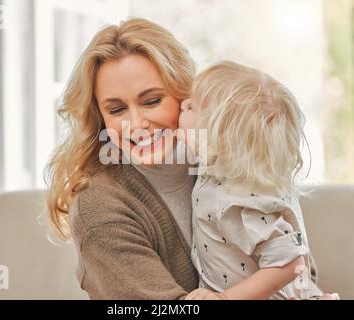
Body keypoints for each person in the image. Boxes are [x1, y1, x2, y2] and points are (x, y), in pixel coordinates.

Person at [45, 18, 326, 300]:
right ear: (101, 118)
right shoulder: (101, 209)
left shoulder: (233, 161)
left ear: (185, 93)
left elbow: (299, 269)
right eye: (117, 110)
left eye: (152, 101)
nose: (135, 123)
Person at [178, 61, 340, 300]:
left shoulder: (235, 198)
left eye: (191, 106)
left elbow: (289, 262)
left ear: (219, 136)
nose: (181, 105)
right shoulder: (223, 171)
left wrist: (225, 298)